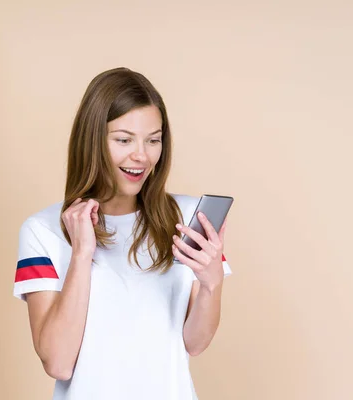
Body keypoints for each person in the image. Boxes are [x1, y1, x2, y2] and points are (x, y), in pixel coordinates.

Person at [13, 67, 232, 400]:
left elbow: (195, 343)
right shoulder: (43, 230)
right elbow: (58, 362)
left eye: (153, 140)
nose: (141, 155)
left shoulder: (187, 218)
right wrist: (81, 254)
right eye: (123, 139)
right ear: (92, 141)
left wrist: (211, 283)